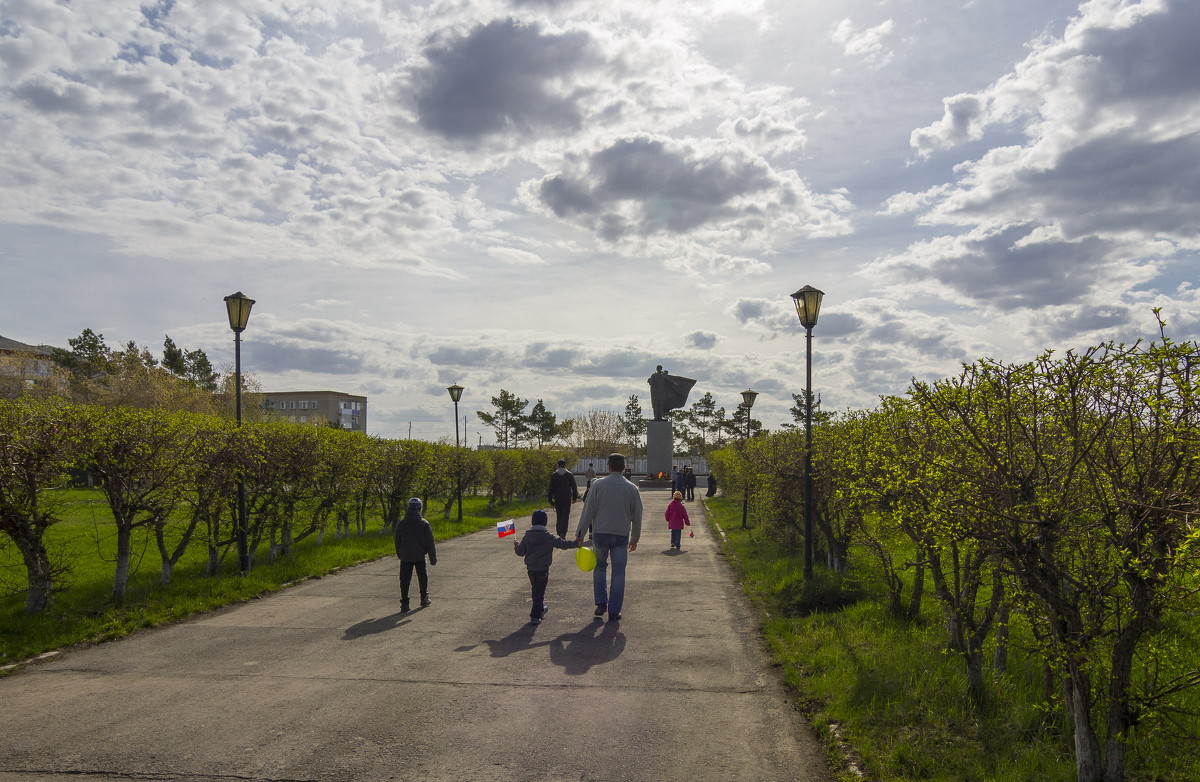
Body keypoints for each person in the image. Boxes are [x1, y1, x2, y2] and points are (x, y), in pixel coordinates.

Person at [575, 453, 642, 622]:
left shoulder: (598, 485)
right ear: (624, 468)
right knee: (619, 573)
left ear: (608, 466)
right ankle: (614, 611)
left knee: (599, 568)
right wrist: (635, 538)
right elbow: (638, 515)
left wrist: (580, 534)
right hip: (621, 535)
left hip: (600, 534)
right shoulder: (632, 488)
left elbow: (588, 510)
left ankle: (601, 603)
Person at [514, 509, 579, 624]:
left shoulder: (528, 536)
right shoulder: (548, 537)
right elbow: (563, 544)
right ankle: (535, 615)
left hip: (531, 569)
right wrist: (576, 543)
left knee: (535, 590)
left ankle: (540, 609)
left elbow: (520, 552)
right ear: (545, 522)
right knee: (539, 592)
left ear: (532, 522)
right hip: (543, 569)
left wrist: (516, 545)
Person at [394, 497, 437, 612]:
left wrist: (399, 553)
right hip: (420, 556)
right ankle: (424, 598)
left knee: (404, 579)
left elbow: (397, 540)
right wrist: (433, 557)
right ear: (419, 508)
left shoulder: (402, 523)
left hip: (405, 556)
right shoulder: (424, 524)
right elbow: (430, 542)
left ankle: (404, 604)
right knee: (422, 576)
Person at [547, 459, 579, 538]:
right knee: (565, 515)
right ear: (565, 465)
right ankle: (563, 532)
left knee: (559, 515)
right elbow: (574, 487)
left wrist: (550, 499)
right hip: (567, 498)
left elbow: (551, 488)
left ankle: (558, 531)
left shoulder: (554, 475)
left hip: (557, 498)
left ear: (558, 465)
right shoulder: (569, 475)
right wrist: (574, 497)